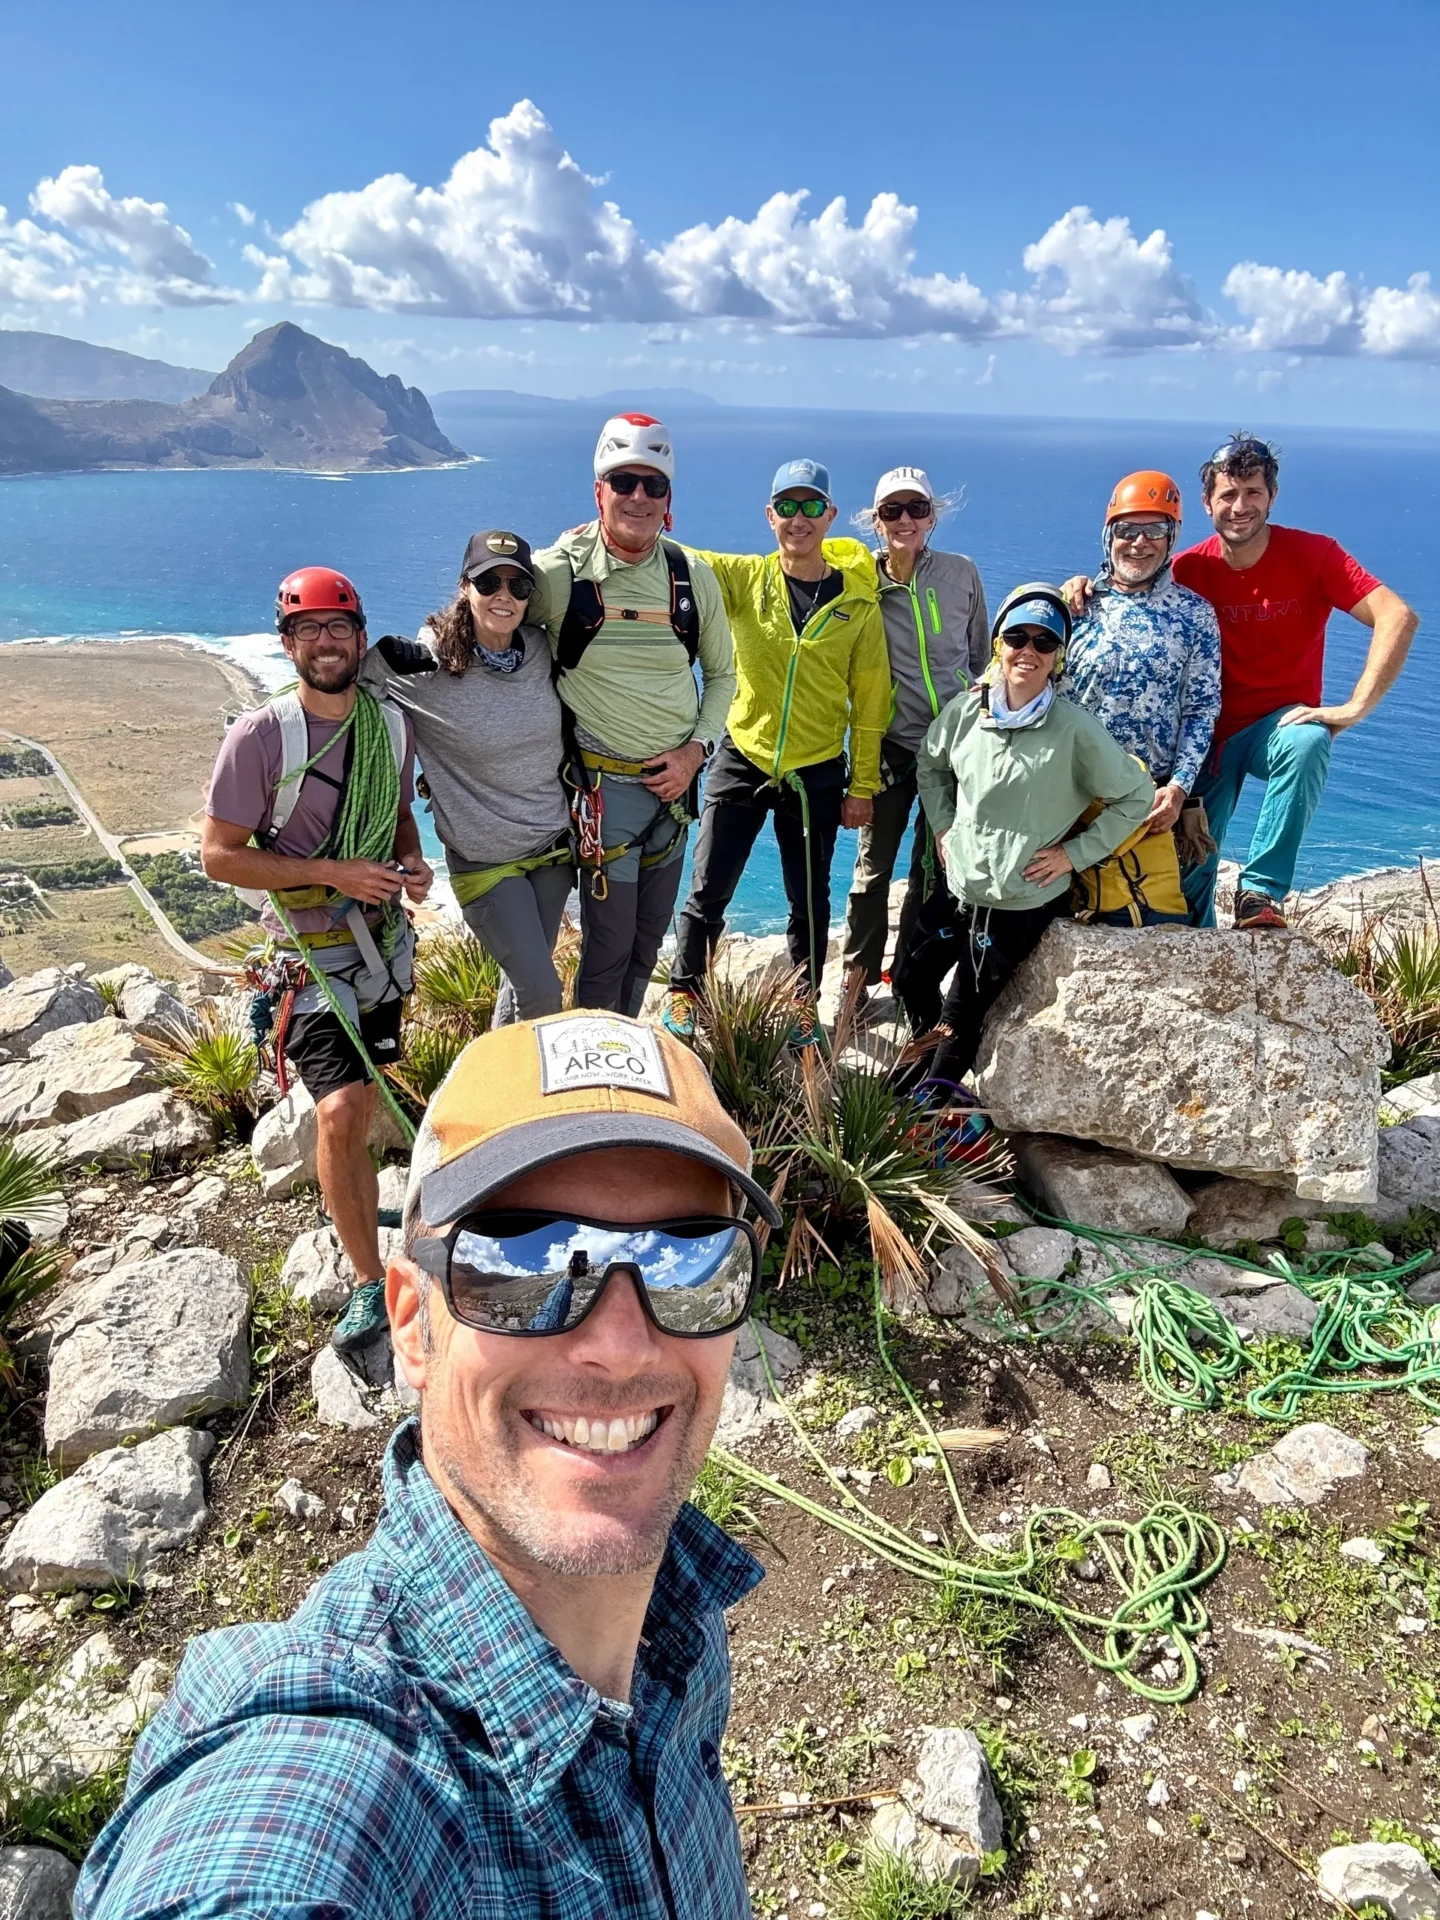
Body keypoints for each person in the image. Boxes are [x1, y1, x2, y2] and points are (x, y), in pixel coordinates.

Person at [75, 1012, 783, 1920]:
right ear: (412, 1322)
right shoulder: (338, 1776)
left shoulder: (679, 1618)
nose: (618, 1343)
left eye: (688, 1262)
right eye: (519, 1261)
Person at [202, 568, 432, 1355]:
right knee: (338, 1112)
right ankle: (370, 1280)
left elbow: (399, 815)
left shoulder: (391, 728)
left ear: (360, 638)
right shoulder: (260, 739)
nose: (326, 642)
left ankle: (362, 1211)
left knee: (363, 1107)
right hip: (307, 958)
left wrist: (411, 860)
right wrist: (333, 873)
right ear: (287, 643)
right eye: (310, 630)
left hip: (377, 950)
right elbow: (218, 856)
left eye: (339, 628)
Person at [662, 459, 890, 1047]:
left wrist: (862, 784)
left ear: (830, 517)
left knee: (810, 897)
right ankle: (683, 992)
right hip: (744, 752)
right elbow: (679, 559)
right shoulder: (746, 579)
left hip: (816, 768)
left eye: (811, 506)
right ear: (770, 517)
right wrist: (604, 532)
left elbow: (870, 700)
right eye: (786, 507)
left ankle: (801, 1002)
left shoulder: (856, 604)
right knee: (709, 884)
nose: (799, 518)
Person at [524, 415, 735, 1014]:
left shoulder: (692, 576)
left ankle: (620, 1054)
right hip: (602, 793)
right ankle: (594, 1069)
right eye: (623, 482)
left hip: (674, 794)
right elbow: (490, 610)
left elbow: (722, 675)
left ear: (669, 499)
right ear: (599, 491)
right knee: (611, 945)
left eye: (653, 484)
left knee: (647, 944)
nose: (638, 497)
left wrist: (696, 753)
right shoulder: (562, 574)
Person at [1168, 434, 1419, 928]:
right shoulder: (1187, 569)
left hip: (1278, 726)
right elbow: (1129, 596)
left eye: (1253, 493)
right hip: (1207, 740)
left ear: (1272, 496)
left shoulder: (1313, 554)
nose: (1240, 507)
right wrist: (1080, 588)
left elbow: (1397, 616)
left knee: (1308, 742)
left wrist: (1354, 709)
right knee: (1187, 872)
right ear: (1207, 503)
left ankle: (1259, 893)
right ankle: (1195, 944)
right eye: (1228, 495)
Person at [912, 584, 1153, 1089]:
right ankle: (917, 1071)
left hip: (1019, 901)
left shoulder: (1074, 729)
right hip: (960, 885)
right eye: (1017, 637)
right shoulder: (965, 713)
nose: (1029, 651)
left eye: (1045, 642)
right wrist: (943, 824)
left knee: (961, 1011)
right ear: (999, 644)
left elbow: (1135, 798)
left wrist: (1074, 854)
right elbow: (930, 765)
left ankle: (929, 1114)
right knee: (912, 975)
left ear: (1058, 657)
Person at [362, 530, 575, 1024]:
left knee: (523, 984)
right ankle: (531, 1098)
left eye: (518, 587)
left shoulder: (542, 648)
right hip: (486, 862)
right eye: (489, 582)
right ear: (465, 587)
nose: (504, 596)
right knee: (543, 991)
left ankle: (495, 1089)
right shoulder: (427, 666)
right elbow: (350, 688)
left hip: (553, 850)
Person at [841, 466, 989, 998]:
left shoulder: (961, 572)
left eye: (917, 509)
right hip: (891, 749)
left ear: (933, 515)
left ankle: (907, 982)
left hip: (952, 752)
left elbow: (980, 655)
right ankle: (855, 987)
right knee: (872, 873)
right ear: (874, 522)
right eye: (892, 511)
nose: (905, 520)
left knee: (933, 869)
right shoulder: (860, 581)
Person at [1062, 470, 1221, 915]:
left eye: (1154, 530)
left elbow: (1201, 709)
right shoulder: (1076, 605)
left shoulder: (1195, 615)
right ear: (1108, 536)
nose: (1139, 542)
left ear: (1172, 539)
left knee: (1145, 921)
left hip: (1146, 802)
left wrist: (1178, 788)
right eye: (1127, 530)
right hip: (1068, 795)